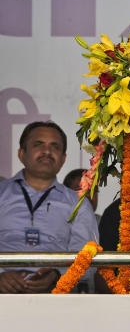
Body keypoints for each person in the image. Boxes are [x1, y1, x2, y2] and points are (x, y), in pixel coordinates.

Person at [0, 122, 99, 293]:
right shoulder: (2, 193)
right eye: (38, 144)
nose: (47, 151)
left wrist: (57, 275)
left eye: (55, 146)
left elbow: (87, 259)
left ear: (63, 159)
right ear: (21, 154)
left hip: (57, 297)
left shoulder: (78, 204)